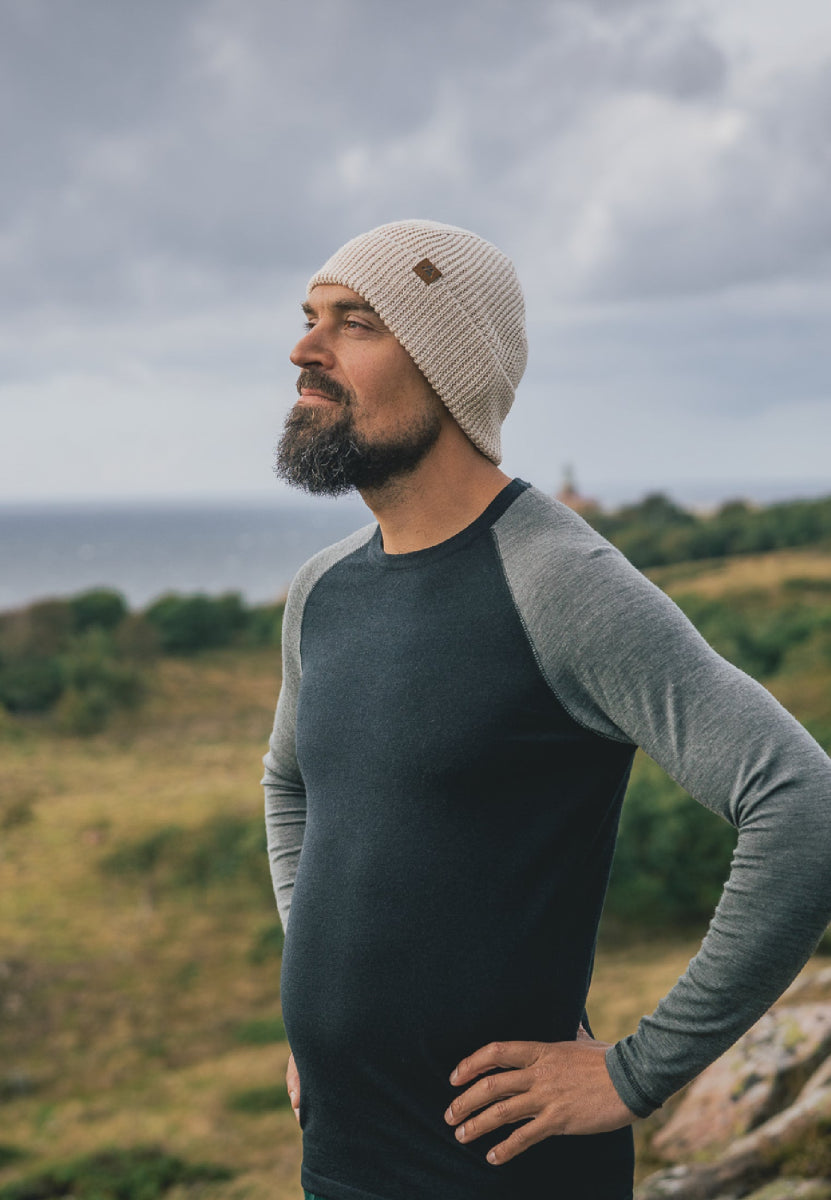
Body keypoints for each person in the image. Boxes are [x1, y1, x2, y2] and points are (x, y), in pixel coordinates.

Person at [262, 220, 831, 1200]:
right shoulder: (325, 591)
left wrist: (637, 1070)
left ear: (447, 365)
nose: (304, 351)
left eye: (353, 323)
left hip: (502, 1173)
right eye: (311, 319)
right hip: (342, 1154)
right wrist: (322, 1001)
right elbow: (290, 784)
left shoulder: (555, 578)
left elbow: (801, 801)